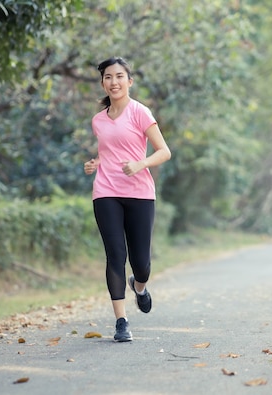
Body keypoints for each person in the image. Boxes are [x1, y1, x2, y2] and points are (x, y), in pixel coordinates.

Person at [84, 57, 171, 342]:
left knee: (141, 263)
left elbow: (164, 151)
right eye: (108, 77)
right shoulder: (98, 120)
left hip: (140, 194)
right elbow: (110, 150)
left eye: (119, 76)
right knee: (115, 255)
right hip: (106, 191)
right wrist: (95, 162)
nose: (114, 82)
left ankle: (140, 287)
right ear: (103, 83)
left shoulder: (140, 113)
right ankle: (121, 321)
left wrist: (140, 164)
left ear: (129, 81)